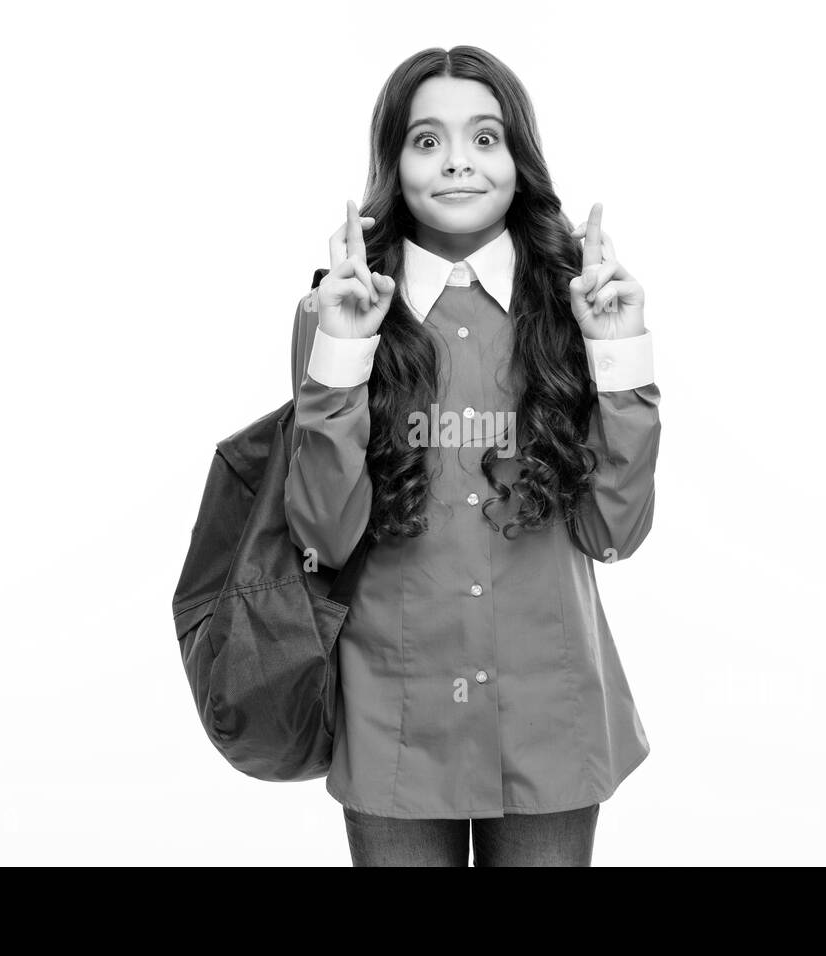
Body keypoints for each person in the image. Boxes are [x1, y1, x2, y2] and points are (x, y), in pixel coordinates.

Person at [283, 45, 661, 866]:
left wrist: (621, 353)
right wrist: (344, 350)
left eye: (485, 138)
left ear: (518, 159)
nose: (458, 160)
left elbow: (614, 533)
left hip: (548, 717)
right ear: (393, 162)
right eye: (428, 141)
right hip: (394, 713)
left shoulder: (574, 307)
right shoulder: (334, 311)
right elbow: (324, 534)